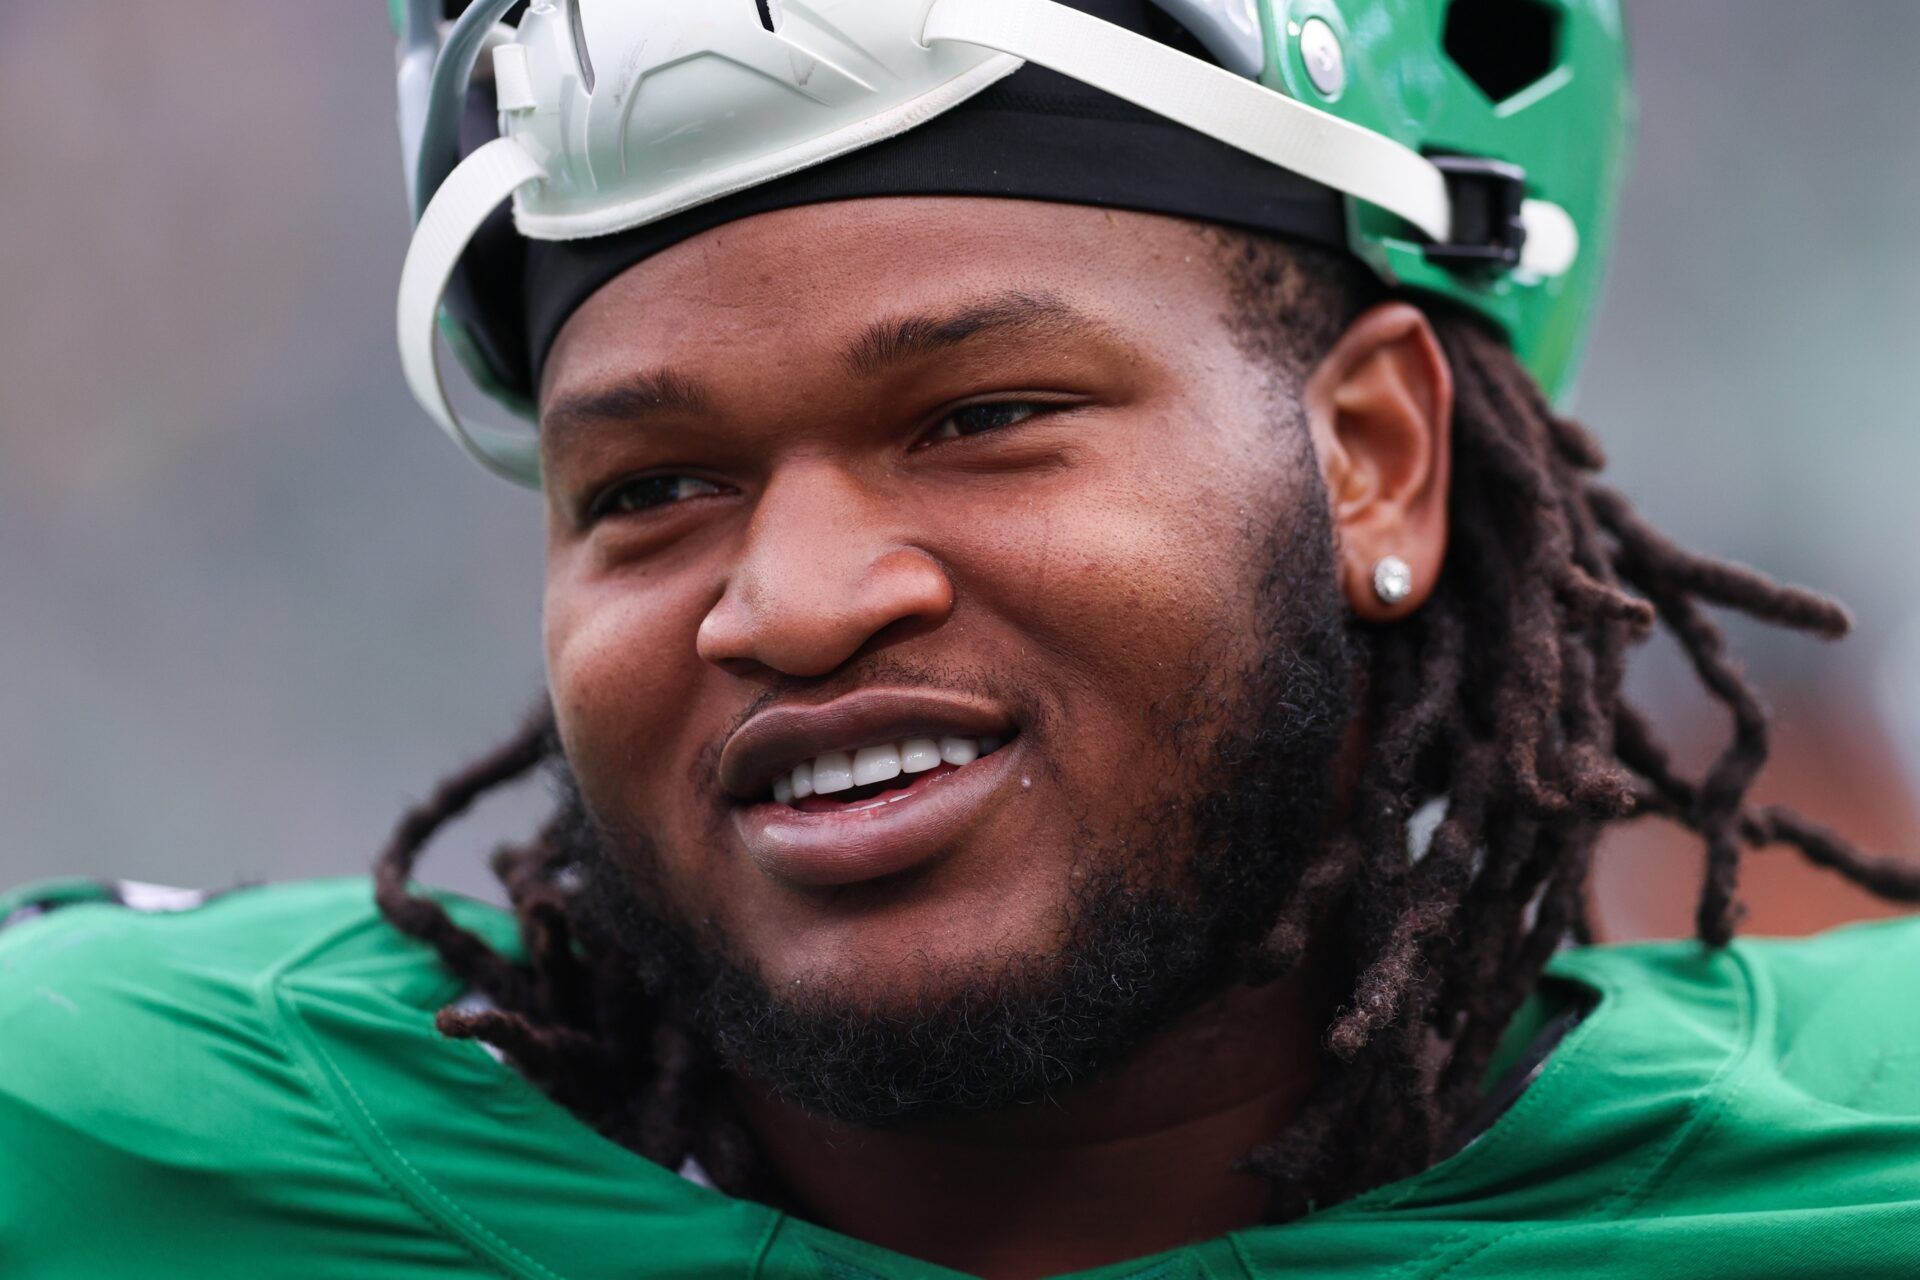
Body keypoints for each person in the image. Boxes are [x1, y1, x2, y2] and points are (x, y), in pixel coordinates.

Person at [6, 1, 1920, 1276]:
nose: (800, 598)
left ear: (1374, 462)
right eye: (652, 487)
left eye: (981, 419)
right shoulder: (112, 1145)